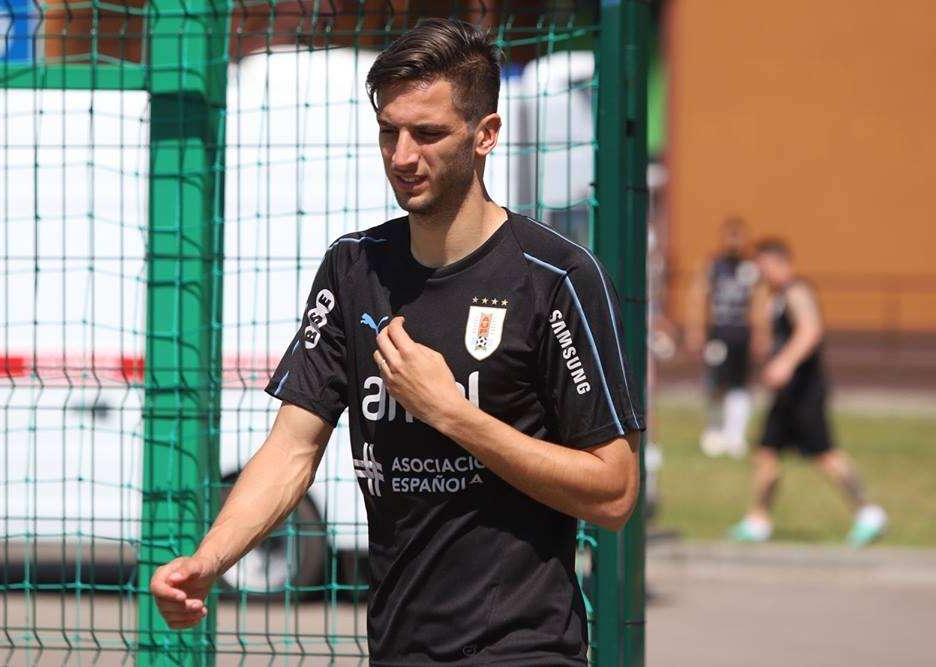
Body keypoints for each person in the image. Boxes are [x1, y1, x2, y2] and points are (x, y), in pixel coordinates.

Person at [150, 19, 644, 665]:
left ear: (486, 134)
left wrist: (453, 414)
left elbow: (614, 491)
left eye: (428, 134)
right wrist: (209, 560)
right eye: (389, 132)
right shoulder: (354, 268)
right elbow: (293, 447)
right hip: (397, 645)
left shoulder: (556, 278)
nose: (403, 156)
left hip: (523, 649)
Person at [729, 239, 886, 546]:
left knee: (826, 456)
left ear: (779, 262)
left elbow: (811, 330)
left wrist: (784, 363)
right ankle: (758, 520)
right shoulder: (774, 296)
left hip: (805, 392)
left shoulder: (797, 291)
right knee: (766, 454)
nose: (760, 273)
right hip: (786, 395)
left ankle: (868, 514)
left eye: (763, 266)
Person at [684, 217, 756, 458]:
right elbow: (698, 297)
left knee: (740, 384)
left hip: (742, 335)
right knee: (715, 383)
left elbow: (760, 301)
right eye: (730, 236)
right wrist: (696, 330)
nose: (734, 242)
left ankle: (736, 435)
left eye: (739, 236)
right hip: (719, 334)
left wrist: (761, 333)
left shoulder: (751, 268)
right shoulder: (713, 266)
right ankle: (714, 431)